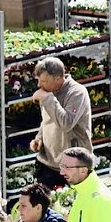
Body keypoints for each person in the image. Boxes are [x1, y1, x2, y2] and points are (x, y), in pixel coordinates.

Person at [29, 57, 92, 190]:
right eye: (38, 80)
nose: (39, 85)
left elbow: (66, 123)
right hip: (47, 164)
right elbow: (47, 119)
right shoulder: (47, 92)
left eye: (44, 81)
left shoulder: (77, 93)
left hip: (73, 165)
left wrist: (47, 98)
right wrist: (39, 138)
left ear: (58, 79)